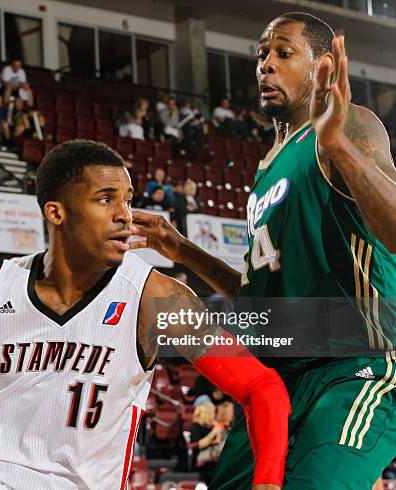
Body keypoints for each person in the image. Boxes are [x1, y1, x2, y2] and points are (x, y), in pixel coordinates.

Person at [0, 140, 289, 489]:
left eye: (128, 200)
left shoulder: (155, 297)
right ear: (56, 213)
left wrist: (268, 482)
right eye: (105, 199)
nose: (125, 215)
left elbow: (260, 387)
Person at [130, 12, 396, 489]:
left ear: (322, 67)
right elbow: (260, 299)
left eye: (283, 52)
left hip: (355, 363)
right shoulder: (267, 171)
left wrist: (338, 144)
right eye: (262, 54)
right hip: (277, 376)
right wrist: (181, 248)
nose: (265, 65)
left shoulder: (350, 127)